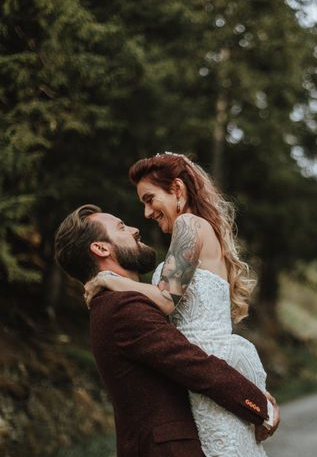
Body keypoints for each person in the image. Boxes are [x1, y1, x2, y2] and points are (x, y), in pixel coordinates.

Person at [83, 152, 273, 456]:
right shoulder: (196, 229)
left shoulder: (189, 225)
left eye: (149, 199)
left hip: (208, 371)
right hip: (204, 375)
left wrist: (109, 279)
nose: (146, 213)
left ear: (178, 190)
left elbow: (165, 300)